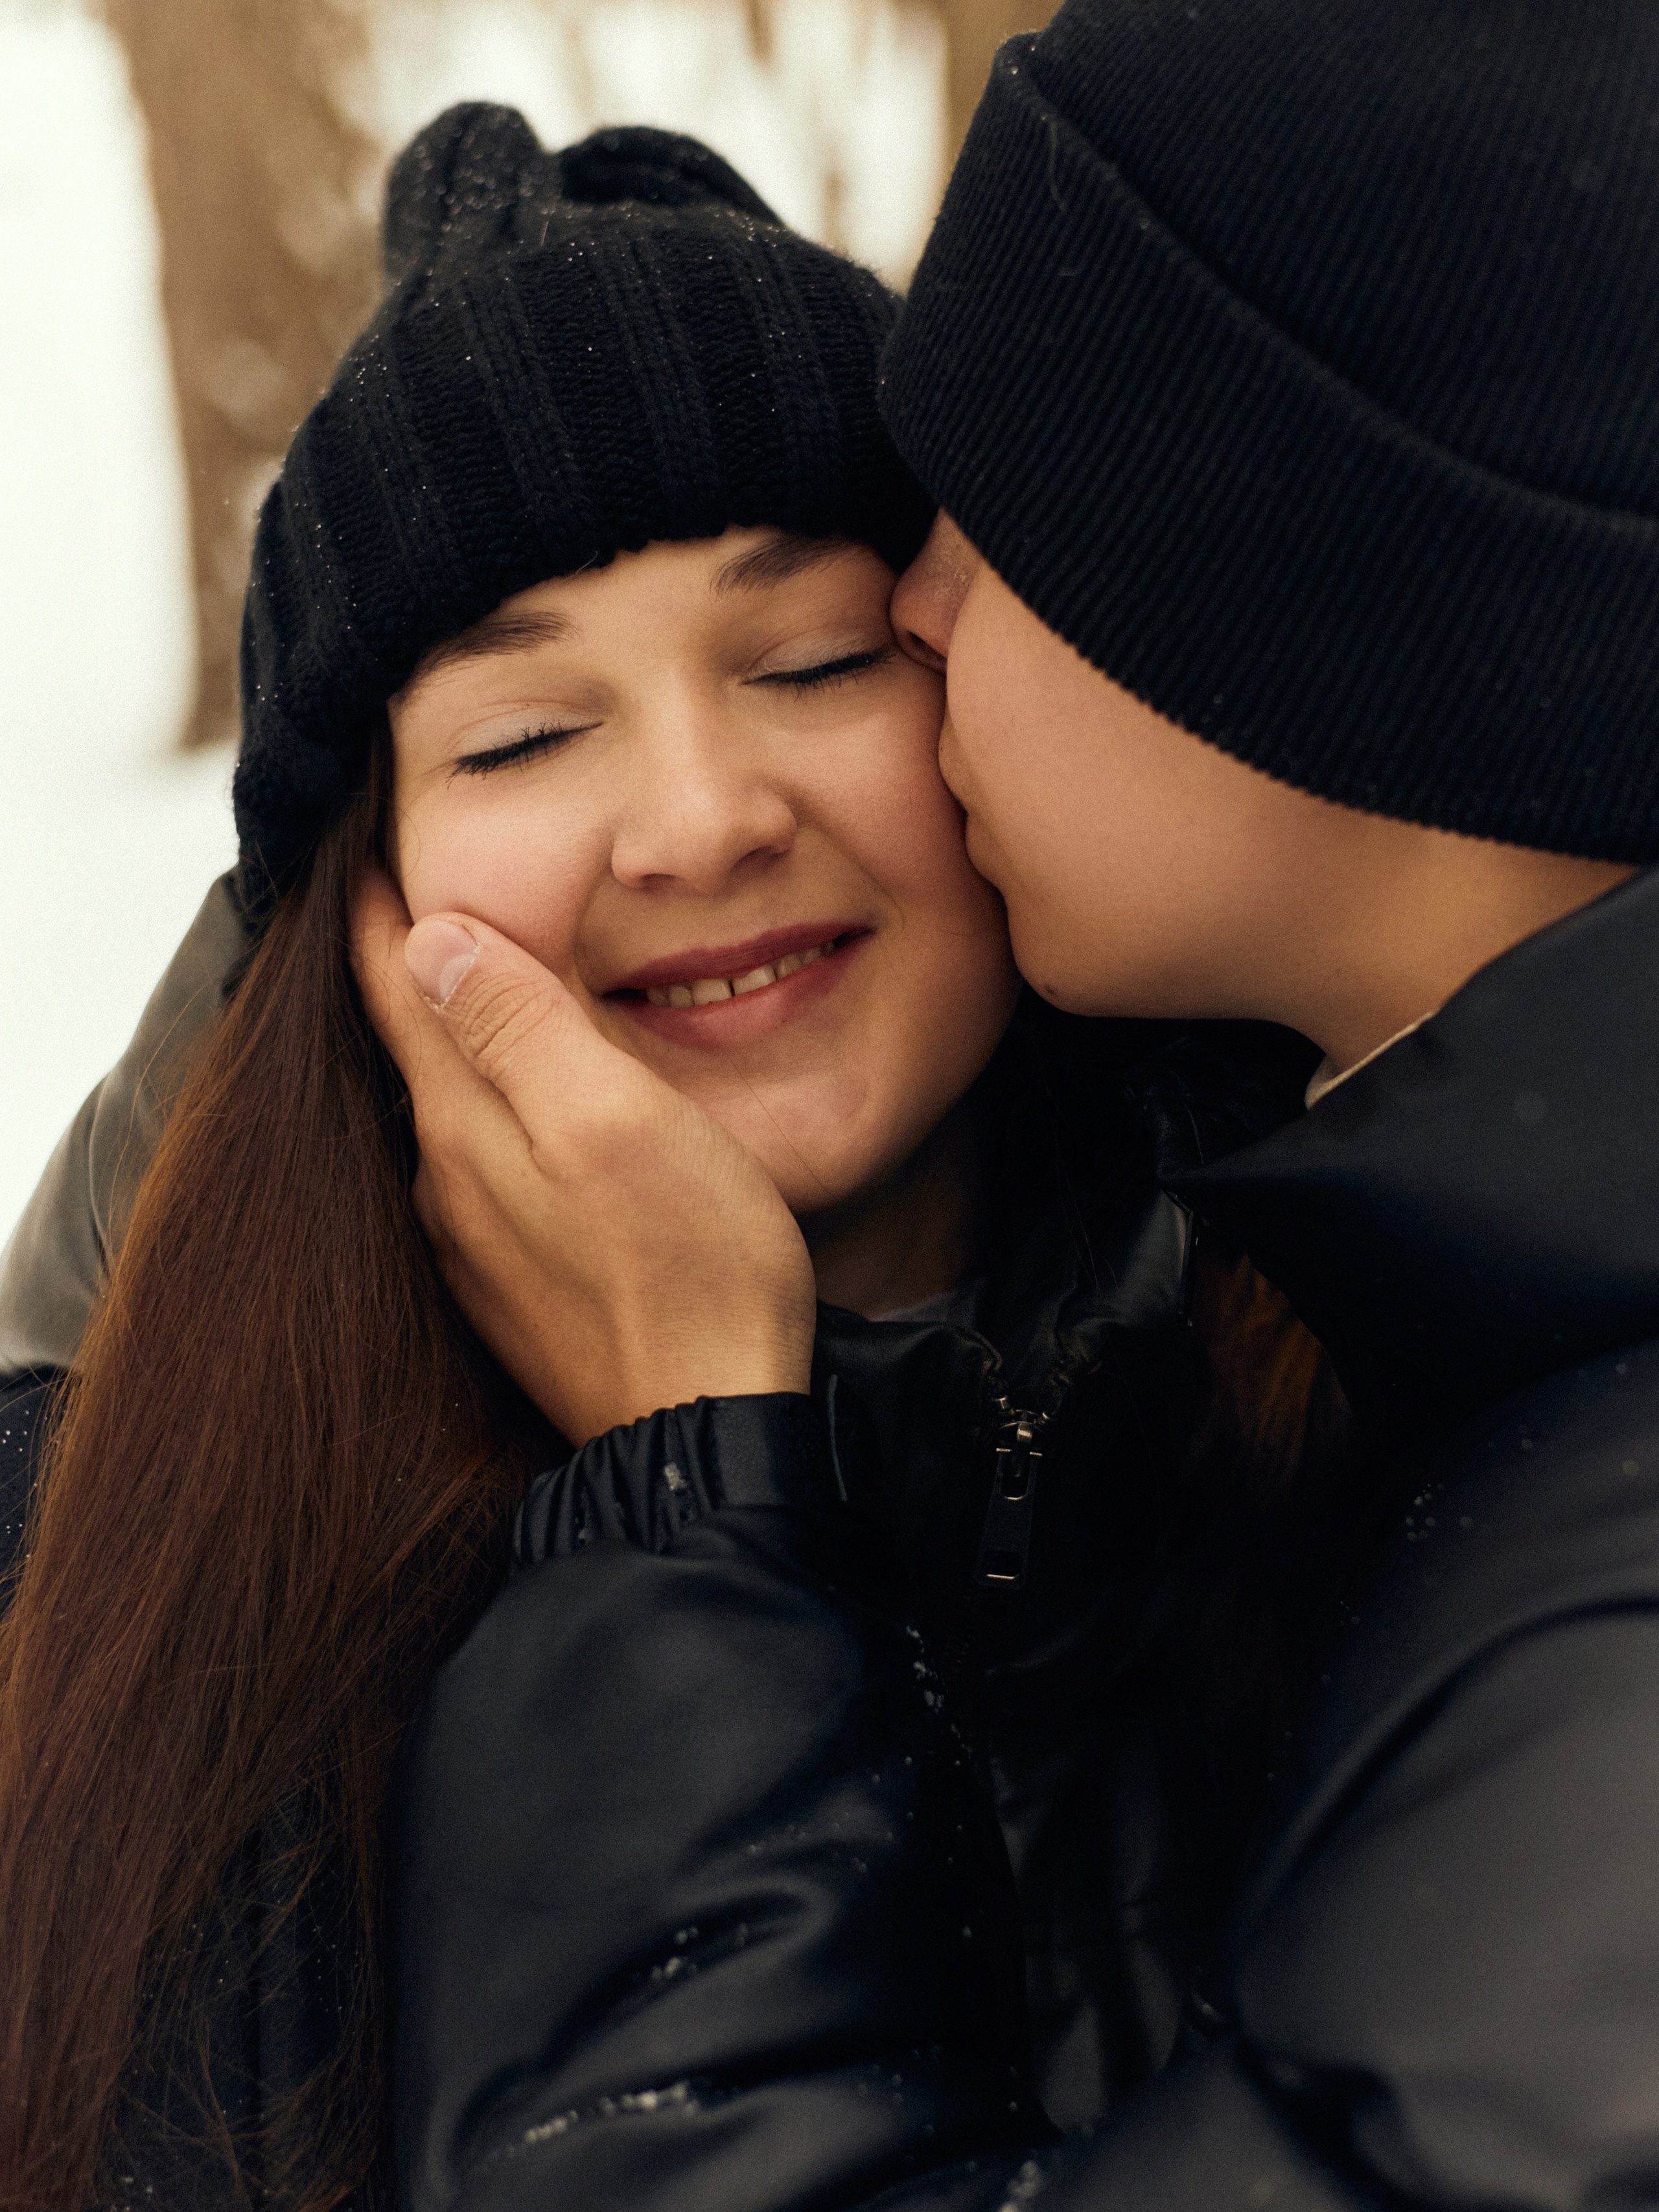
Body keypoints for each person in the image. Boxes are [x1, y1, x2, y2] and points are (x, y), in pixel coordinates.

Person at [373, 3, 1659, 2209]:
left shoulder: (1584, 1591)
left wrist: (685, 1496)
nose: (933, 604)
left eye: (980, 526)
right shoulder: (1485, 1371)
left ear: (1273, 592)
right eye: (516, 738)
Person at [0, 104, 1321, 2212]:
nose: (701, 819)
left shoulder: (1361, 1365)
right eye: (522, 737)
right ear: (355, 892)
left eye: (808, 664)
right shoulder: (147, 1610)